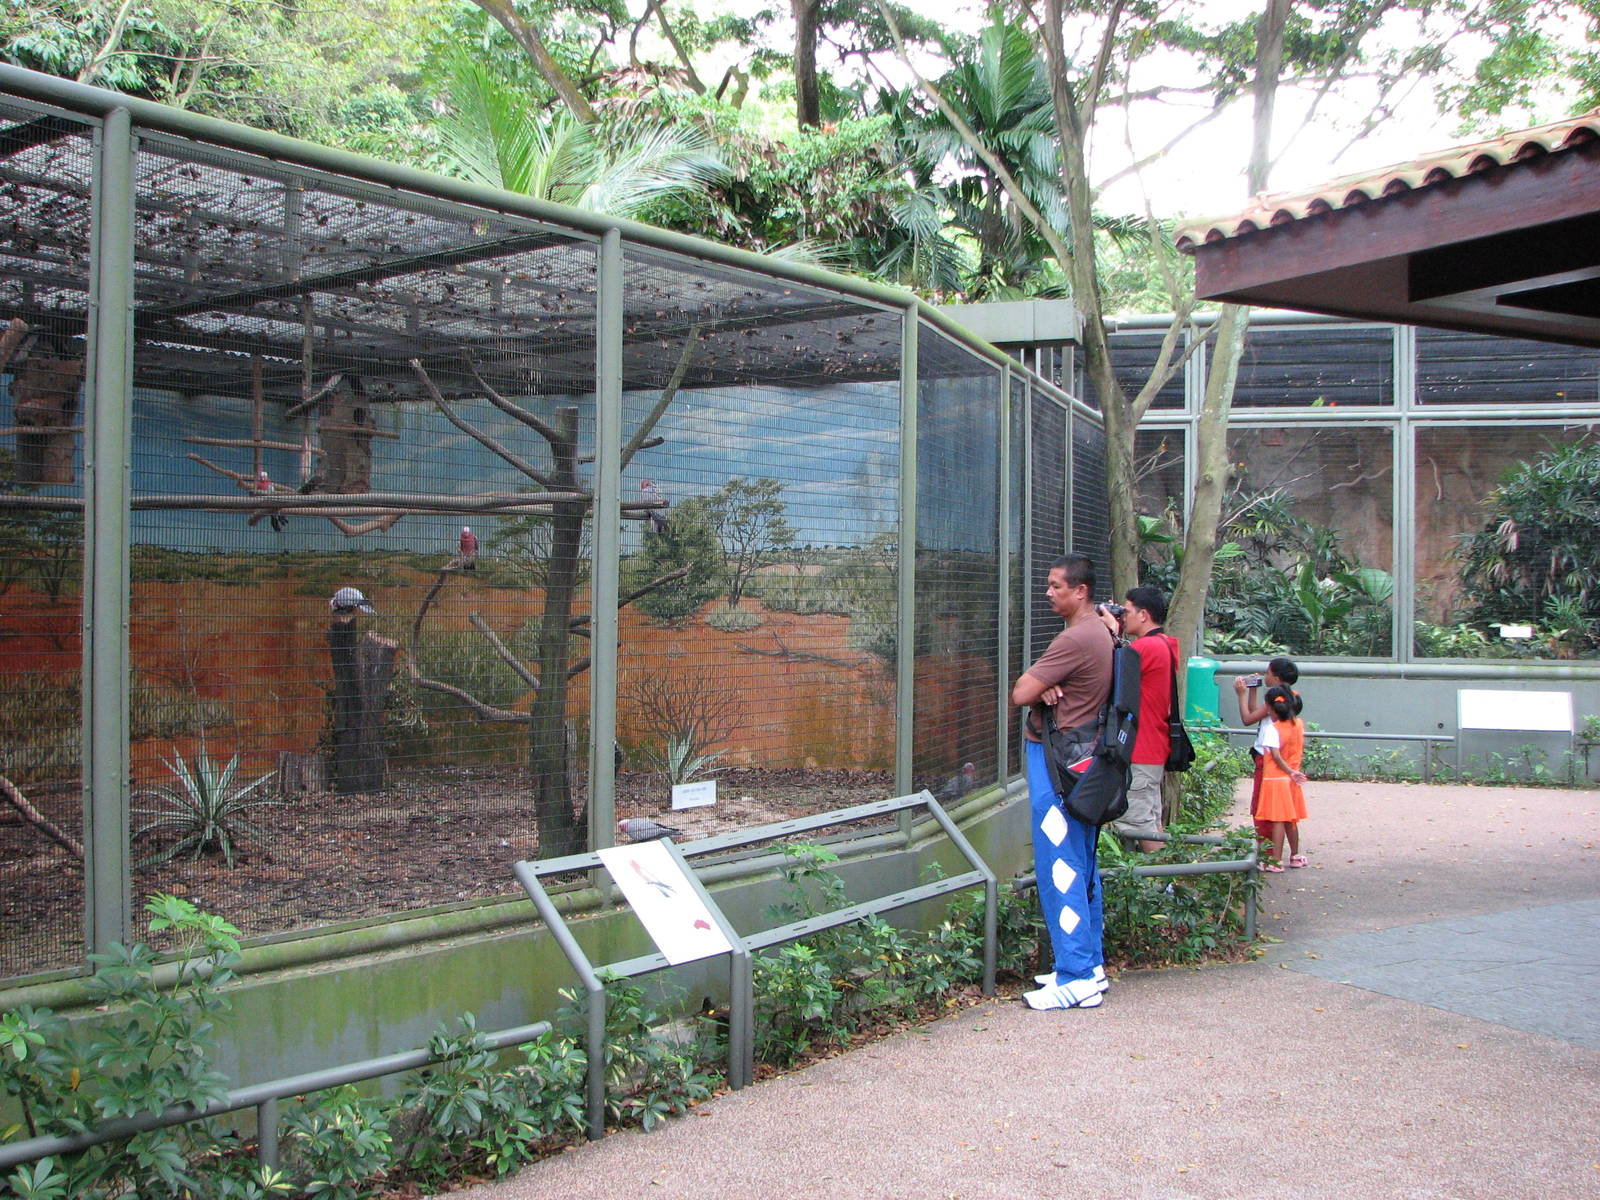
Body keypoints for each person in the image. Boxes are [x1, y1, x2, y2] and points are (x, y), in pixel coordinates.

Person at [1010, 553, 1114, 1011]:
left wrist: (1040, 687)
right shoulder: (1103, 632)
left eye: (1056, 586)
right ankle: (1088, 965)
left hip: (1057, 763)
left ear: (1080, 591)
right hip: (1084, 764)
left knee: (1060, 863)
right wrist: (1047, 686)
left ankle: (1076, 977)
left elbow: (1020, 692)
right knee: (1080, 860)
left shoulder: (1077, 638)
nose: (1049, 592)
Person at [1099, 585, 1178, 852]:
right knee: (1151, 822)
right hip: (1152, 747)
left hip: (1141, 749)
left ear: (1143, 615)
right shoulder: (1163, 643)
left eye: (1128, 611)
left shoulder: (1146, 647)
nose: (1124, 616)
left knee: (1137, 824)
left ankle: (1159, 887)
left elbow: (1111, 672)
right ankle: (1161, 884)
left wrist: (1111, 632)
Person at [1234, 657, 1299, 847]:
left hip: (1268, 758)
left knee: (1263, 805)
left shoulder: (1277, 699)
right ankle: (1291, 852)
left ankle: (1266, 852)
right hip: (1283, 758)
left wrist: (1241, 695)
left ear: (1277, 678)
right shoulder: (1291, 697)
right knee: (1284, 808)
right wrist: (1254, 689)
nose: (1265, 676)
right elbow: (1257, 713)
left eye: (1267, 673)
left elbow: (1248, 718)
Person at [1255, 685, 1308, 871]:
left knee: (1277, 819)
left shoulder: (1272, 728)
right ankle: (1295, 855)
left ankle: (1275, 860)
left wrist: (1289, 772)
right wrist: (1293, 773)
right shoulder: (1298, 724)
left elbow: (1276, 756)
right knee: (1290, 820)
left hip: (1277, 779)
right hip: (1292, 779)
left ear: (1271, 708)